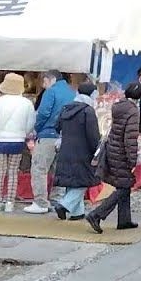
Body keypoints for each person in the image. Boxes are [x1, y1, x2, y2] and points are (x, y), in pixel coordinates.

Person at [86, 82, 141, 233]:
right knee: (124, 188)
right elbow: (130, 138)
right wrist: (132, 159)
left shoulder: (118, 106)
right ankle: (96, 215)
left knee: (123, 185)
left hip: (113, 148)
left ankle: (124, 220)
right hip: (122, 152)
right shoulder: (133, 111)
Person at [0, 73, 35, 213]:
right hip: (18, 142)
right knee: (13, 172)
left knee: (0, 172)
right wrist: (23, 133)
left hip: (0, 141)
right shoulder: (27, 103)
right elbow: (30, 124)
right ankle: (10, 202)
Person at [26, 69, 73, 214]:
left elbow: (43, 113)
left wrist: (37, 128)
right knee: (58, 170)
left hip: (48, 134)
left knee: (39, 168)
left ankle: (41, 202)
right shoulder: (71, 92)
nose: (44, 86)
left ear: (51, 79)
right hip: (65, 136)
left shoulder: (51, 92)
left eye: (45, 82)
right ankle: (57, 198)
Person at [53, 82, 102, 221]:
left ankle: (77, 213)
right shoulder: (88, 111)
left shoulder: (66, 108)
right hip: (83, 152)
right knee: (84, 181)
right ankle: (64, 204)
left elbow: (57, 127)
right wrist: (96, 151)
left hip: (65, 149)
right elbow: (93, 135)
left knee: (72, 180)